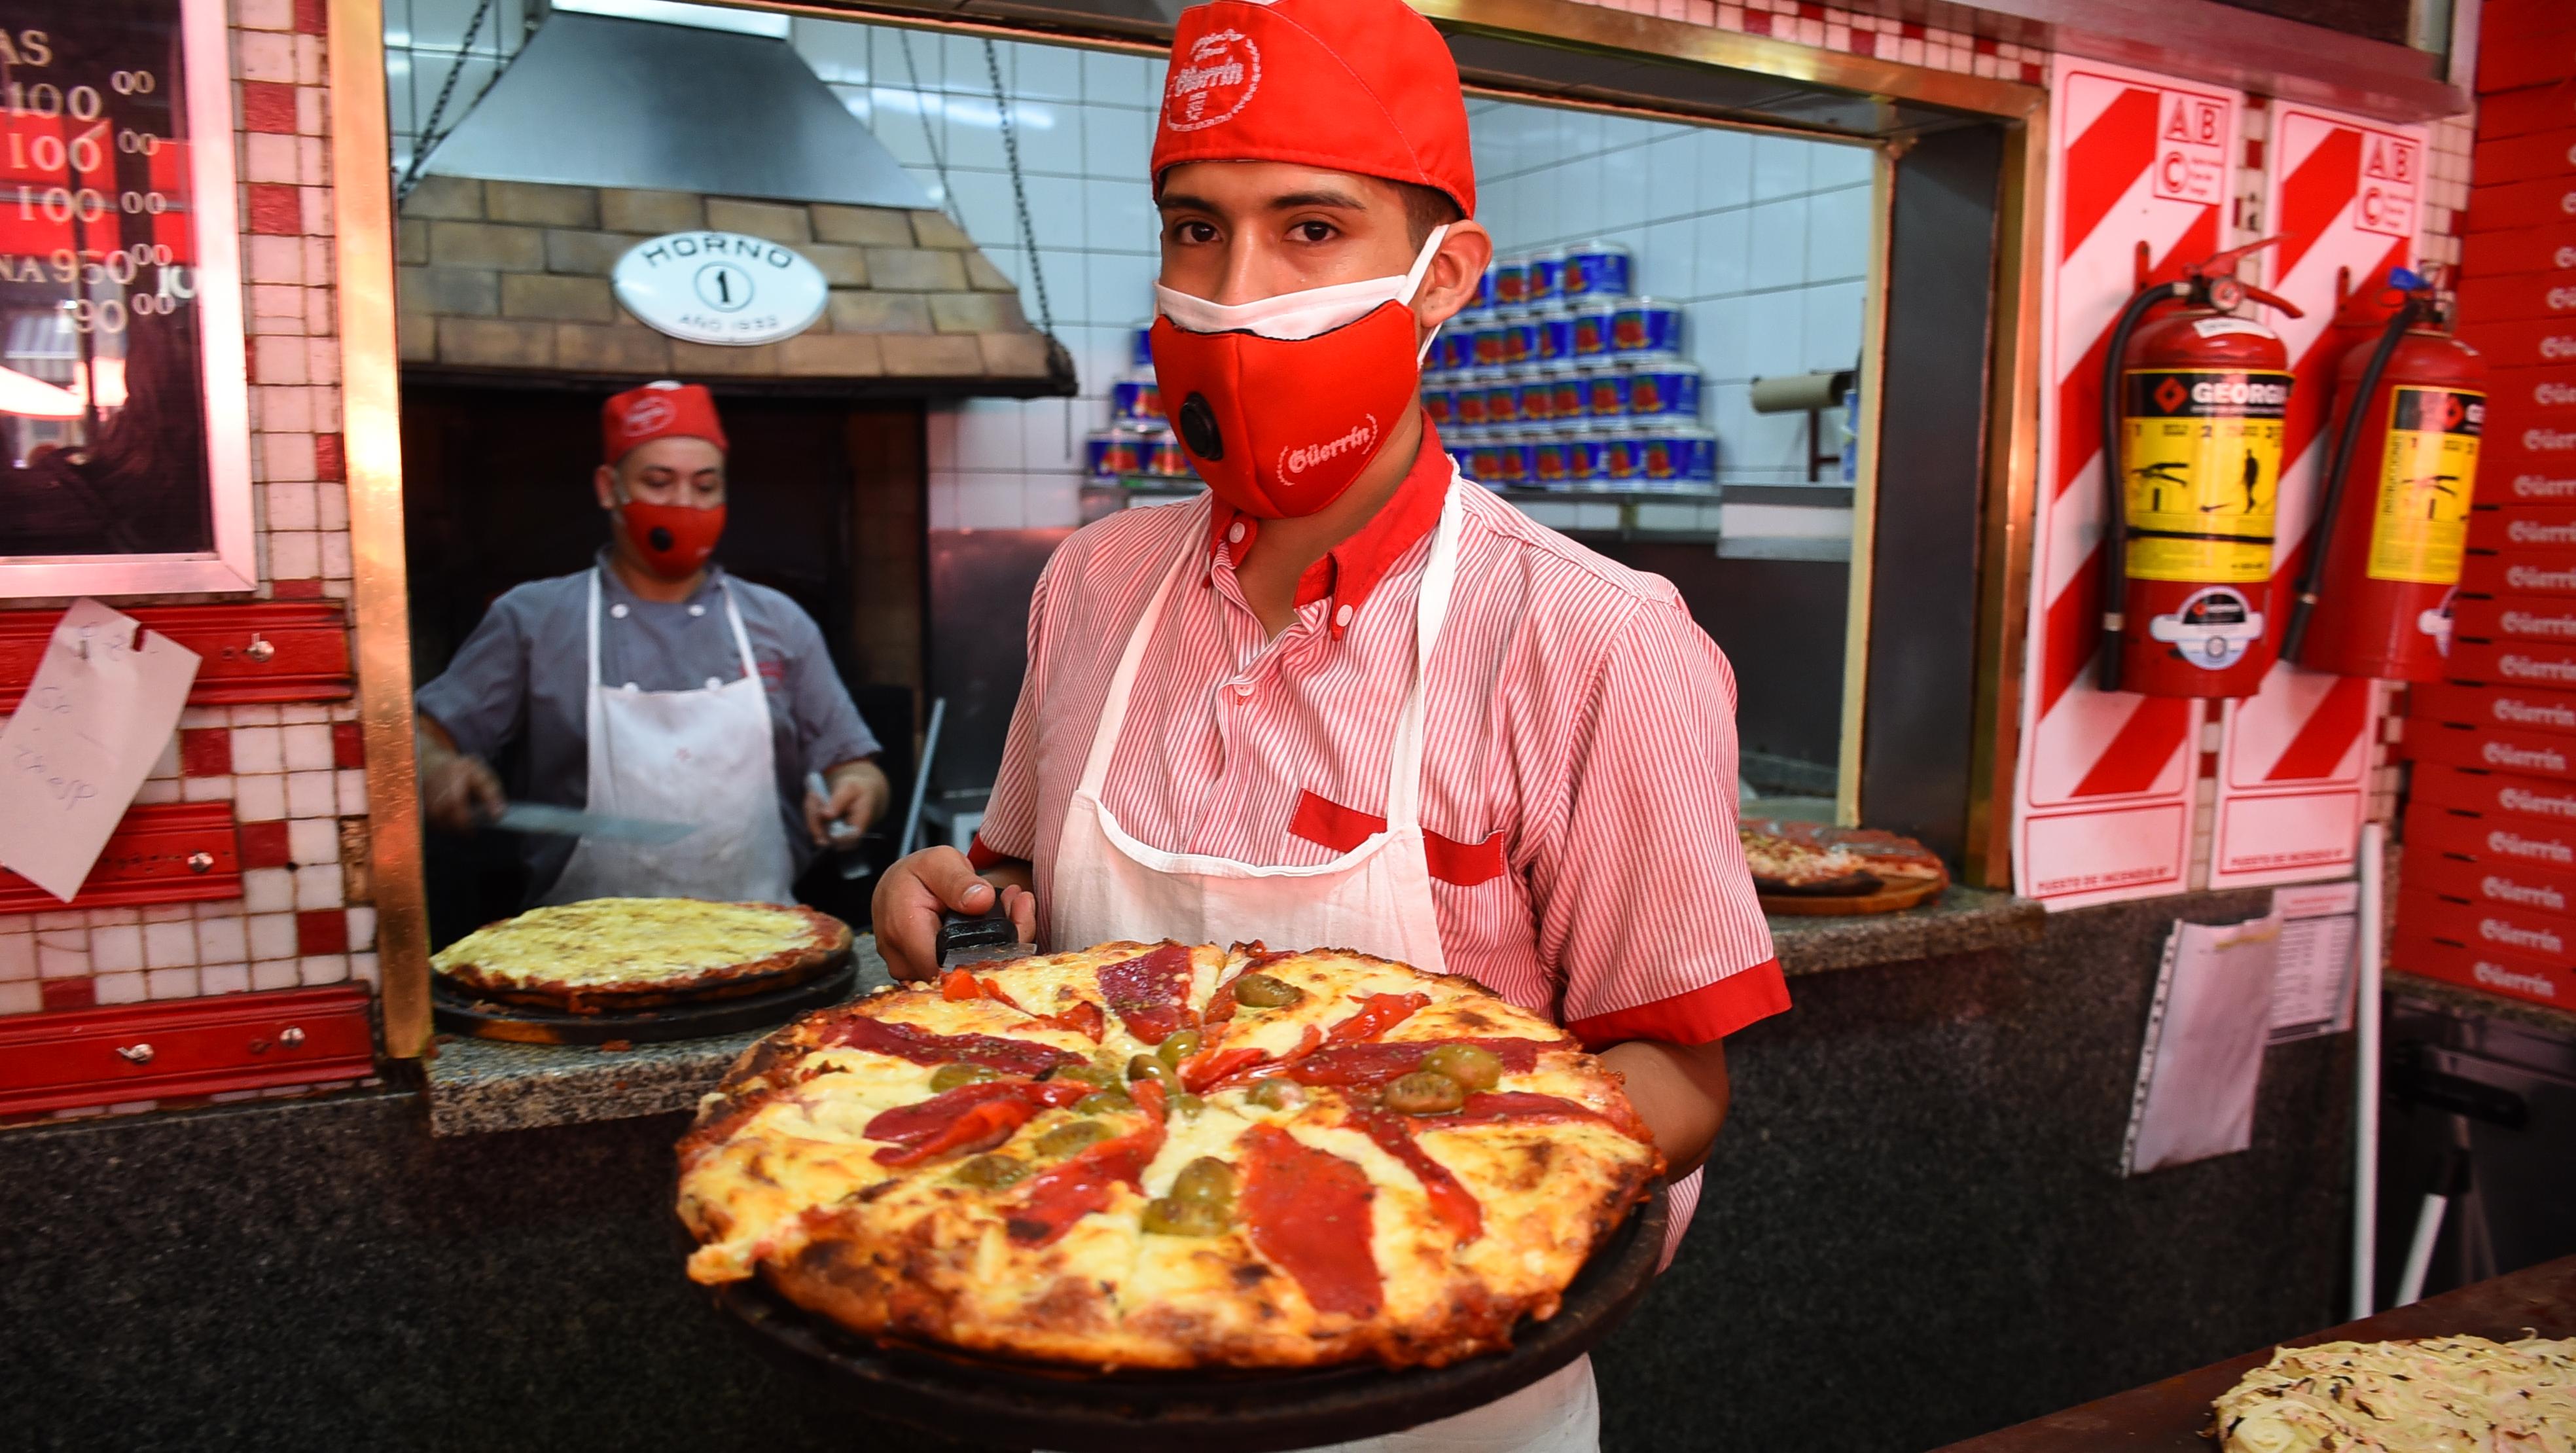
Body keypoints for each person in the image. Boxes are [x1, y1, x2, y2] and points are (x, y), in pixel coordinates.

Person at [874, 3, 1788, 1447]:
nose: (1236, 290)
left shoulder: (1597, 640)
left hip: (1433, 1390)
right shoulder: (1094, 586)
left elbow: (1675, 1076)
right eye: (1196, 229)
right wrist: (963, 896)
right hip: (1081, 1339)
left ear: (1442, 280)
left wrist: (1361, 1201)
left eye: (1311, 230)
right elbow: (1046, 937)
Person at [415, 380, 889, 905]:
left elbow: (853, 764)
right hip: (577, 955)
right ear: (607, 488)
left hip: (765, 944)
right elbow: (417, 739)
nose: (684, 503)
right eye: (659, 482)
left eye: (705, 486)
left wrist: (858, 789)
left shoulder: (778, 621)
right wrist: (435, 768)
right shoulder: (533, 620)